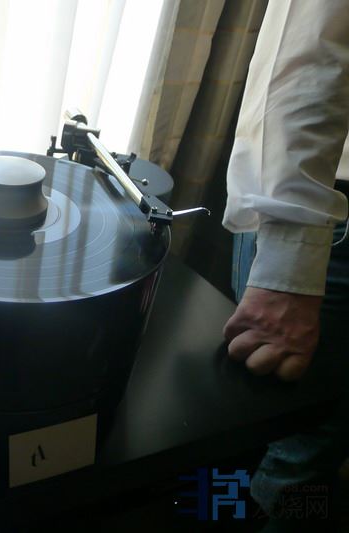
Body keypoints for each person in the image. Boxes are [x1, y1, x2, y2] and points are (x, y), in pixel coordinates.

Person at [222, 0, 349, 525]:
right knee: (300, 449)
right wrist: (289, 269)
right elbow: (311, 36)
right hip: (325, 215)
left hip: (318, 215)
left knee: (319, 439)